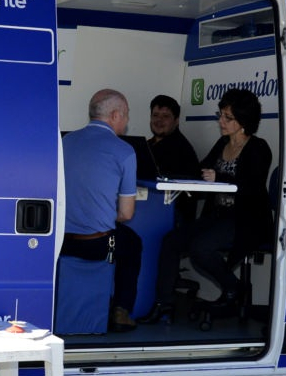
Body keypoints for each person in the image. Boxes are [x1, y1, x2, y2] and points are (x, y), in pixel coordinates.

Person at [145, 87, 273, 322]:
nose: (221, 121)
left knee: (200, 247)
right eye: (220, 115)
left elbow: (252, 186)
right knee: (171, 241)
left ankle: (234, 287)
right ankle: (164, 304)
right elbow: (200, 171)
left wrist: (219, 177)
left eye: (228, 117)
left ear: (244, 121)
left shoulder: (258, 148)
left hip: (245, 220)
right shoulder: (222, 143)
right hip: (218, 216)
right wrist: (173, 176)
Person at [62, 88, 142, 333]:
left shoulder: (66, 141)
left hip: (61, 243)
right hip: (98, 244)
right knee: (132, 243)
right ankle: (120, 311)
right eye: (126, 115)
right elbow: (126, 214)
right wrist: (102, 214)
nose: (127, 121)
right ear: (115, 115)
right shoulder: (124, 151)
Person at [141, 94, 200, 226]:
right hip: (148, 210)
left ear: (177, 121)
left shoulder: (182, 149)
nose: (159, 120)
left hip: (171, 217)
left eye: (165, 116)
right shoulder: (147, 145)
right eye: (155, 115)